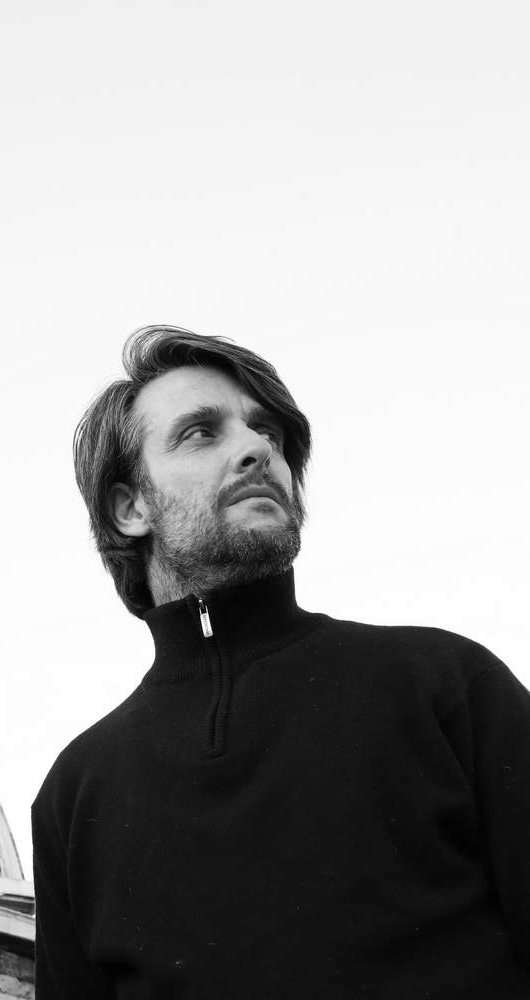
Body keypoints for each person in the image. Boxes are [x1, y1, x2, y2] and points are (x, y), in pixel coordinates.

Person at [32, 326, 530, 997]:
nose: (257, 449)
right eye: (201, 433)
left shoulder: (446, 684)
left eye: (266, 430)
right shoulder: (75, 797)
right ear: (130, 507)